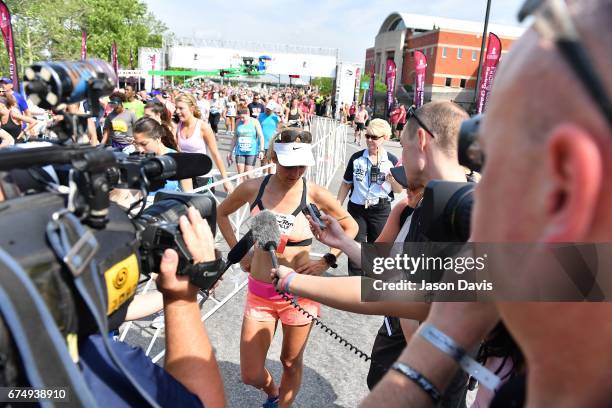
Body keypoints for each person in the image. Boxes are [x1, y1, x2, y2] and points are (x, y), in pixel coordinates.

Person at [362, 0, 612, 407]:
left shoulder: (446, 209)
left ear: (562, 193)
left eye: (488, 154)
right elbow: (388, 277)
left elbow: (389, 285)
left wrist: (442, 331)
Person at [217, 128, 358, 408]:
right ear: (273, 157)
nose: (295, 173)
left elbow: (350, 226)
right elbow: (221, 213)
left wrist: (326, 260)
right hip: (260, 292)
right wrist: (241, 253)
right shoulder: (252, 188)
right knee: (250, 373)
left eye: (301, 166)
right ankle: (273, 393)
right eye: (288, 165)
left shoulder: (314, 192)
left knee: (291, 361)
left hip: (300, 293)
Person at [337, 118, 401, 276]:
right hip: (357, 208)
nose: (370, 140)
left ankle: (374, 280)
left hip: (380, 209)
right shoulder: (356, 158)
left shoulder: (392, 160)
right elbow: (346, 184)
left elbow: (399, 190)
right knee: (355, 246)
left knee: (378, 248)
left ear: (385, 138)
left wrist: (393, 181)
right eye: (367, 136)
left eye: (374, 137)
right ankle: (355, 280)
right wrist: (336, 207)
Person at [175, 93, 233, 193]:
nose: (177, 111)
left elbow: (216, 154)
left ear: (192, 108)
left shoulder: (203, 127)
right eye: (176, 108)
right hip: (184, 177)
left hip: (202, 177)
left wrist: (226, 180)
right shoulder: (178, 126)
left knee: (203, 208)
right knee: (186, 208)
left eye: (181, 108)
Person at [228, 106, 265, 182]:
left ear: (248, 114)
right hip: (240, 151)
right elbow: (235, 137)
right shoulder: (238, 122)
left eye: (243, 117)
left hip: (251, 152)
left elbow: (261, 136)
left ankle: (253, 191)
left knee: (249, 175)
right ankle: (242, 192)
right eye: (240, 117)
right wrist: (230, 152)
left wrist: (261, 150)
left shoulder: (255, 122)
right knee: (241, 175)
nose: (241, 119)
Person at [258, 101, 281, 172]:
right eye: (267, 108)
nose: (267, 110)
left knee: (270, 161)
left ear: (273, 109)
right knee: (262, 161)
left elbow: (280, 128)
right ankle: (263, 176)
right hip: (262, 142)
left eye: (269, 109)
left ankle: (269, 177)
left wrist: (281, 119)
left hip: (272, 142)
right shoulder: (260, 115)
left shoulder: (275, 117)